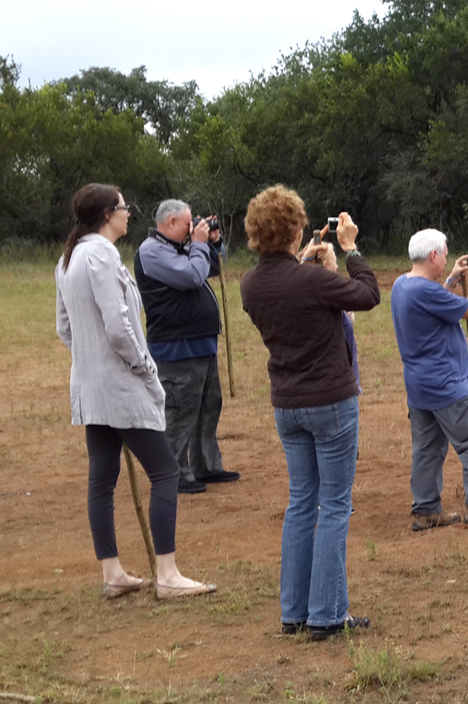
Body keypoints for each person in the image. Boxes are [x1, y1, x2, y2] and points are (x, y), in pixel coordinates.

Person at [55, 184, 216, 600]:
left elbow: (65, 328)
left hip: (91, 387)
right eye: (124, 207)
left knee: (101, 479)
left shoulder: (68, 257)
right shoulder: (101, 255)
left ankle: (112, 573)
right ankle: (167, 574)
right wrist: (144, 367)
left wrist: (90, 360)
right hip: (120, 386)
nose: (129, 213)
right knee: (165, 471)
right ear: (108, 212)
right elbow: (118, 326)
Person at [239, 185, 380, 641]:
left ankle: (294, 612)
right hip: (330, 402)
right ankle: (325, 615)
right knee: (335, 505)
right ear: (296, 229)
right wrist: (350, 248)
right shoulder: (312, 280)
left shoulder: (250, 283)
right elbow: (367, 294)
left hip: (288, 404)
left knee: (302, 503)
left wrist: (307, 266)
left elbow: (290, 291)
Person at [390, 229, 468, 532]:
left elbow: (434, 301)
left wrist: (450, 281)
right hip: (444, 384)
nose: (446, 259)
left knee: (428, 447)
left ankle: (426, 510)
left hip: (419, 384)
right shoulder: (425, 291)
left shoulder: (402, 285)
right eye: (445, 255)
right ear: (433, 255)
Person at [135, 200, 239, 494]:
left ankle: (206, 465)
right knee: (180, 412)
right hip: (176, 347)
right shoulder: (152, 251)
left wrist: (213, 245)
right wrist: (198, 243)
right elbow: (193, 275)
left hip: (201, 344)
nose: (192, 227)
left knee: (208, 407)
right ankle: (174, 473)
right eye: (187, 222)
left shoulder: (180, 247)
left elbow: (211, 269)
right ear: (170, 222)